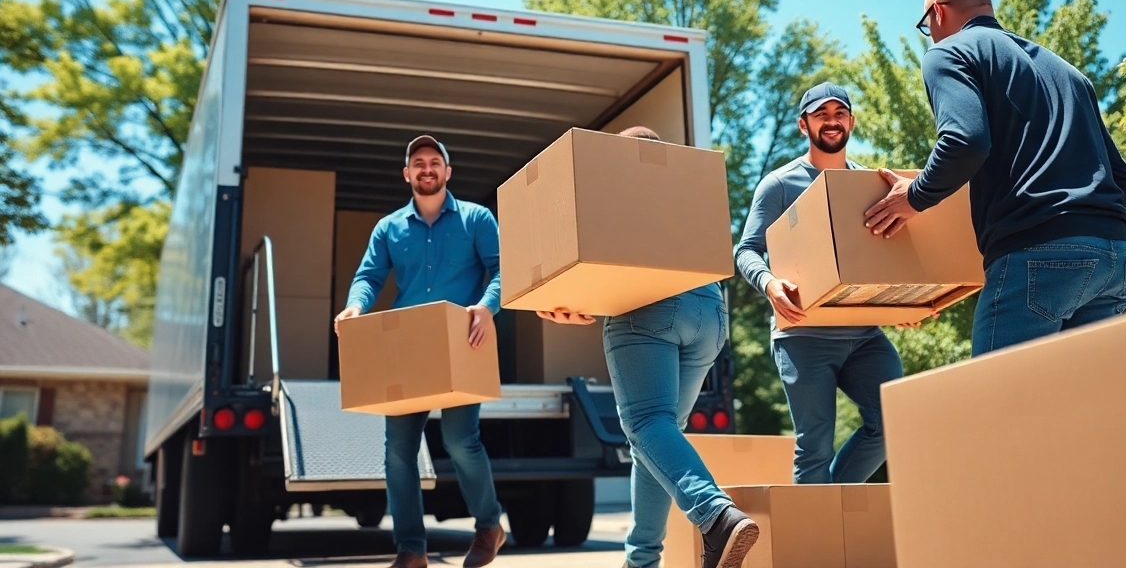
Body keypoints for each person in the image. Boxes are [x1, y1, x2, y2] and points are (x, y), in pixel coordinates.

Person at [863, 0, 1126, 356]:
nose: (931, 35)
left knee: (998, 408)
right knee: (1084, 409)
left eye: (926, 26)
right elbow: (1120, 177)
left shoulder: (948, 52)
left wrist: (915, 196)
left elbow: (966, 140)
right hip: (1115, 256)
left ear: (938, 13)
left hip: (1036, 253)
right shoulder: (1069, 73)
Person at [541, 126, 759, 568]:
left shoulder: (613, 190)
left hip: (650, 312)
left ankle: (714, 514)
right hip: (710, 313)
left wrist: (565, 300)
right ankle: (640, 560)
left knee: (644, 422)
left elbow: (597, 260)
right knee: (656, 439)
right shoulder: (687, 194)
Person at [334, 135, 507, 568]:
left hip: (462, 341)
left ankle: (489, 526)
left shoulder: (476, 218)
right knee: (398, 451)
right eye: (418, 163)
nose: (426, 169)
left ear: (447, 172)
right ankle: (411, 549)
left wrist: (487, 308)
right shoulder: (389, 227)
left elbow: (503, 268)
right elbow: (369, 276)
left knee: (460, 441)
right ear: (407, 174)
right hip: (406, 347)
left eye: (435, 162)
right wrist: (356, 306)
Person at [735, 83, 907, 485]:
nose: (832, 120)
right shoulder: (779, 184)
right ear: (803, 124)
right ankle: (814, 539)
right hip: (803, 335)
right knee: (814, 445)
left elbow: (885, 255)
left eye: (839, 112)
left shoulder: (868, 182)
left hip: (863, 334)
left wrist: (902, 305)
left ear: (852, 120)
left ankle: (831, 504)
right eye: (821, 113)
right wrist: (769, 283)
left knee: (893, 421)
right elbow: (746, 249)